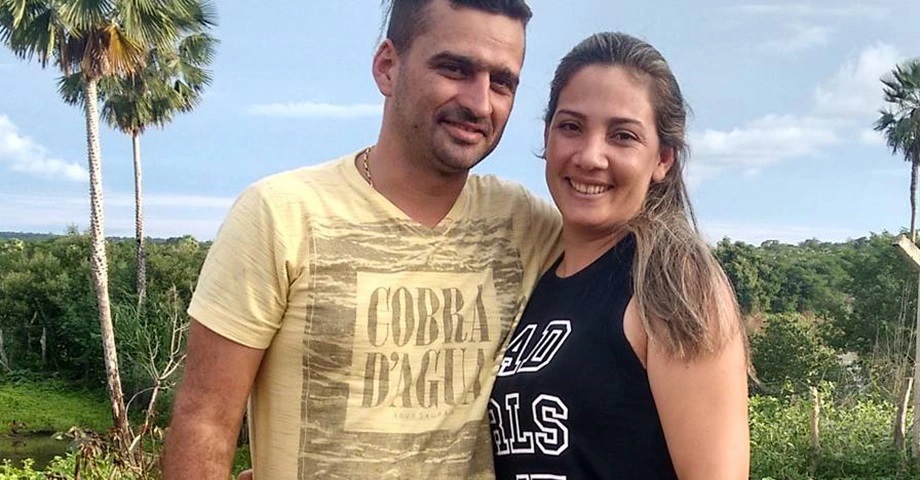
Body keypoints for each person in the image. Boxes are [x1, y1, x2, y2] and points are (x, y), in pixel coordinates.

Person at [160, 0, 562, 478]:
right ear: (387, 66)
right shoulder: (281, 214)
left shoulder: (525, 224)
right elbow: (205, 418)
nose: (480, 103)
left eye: (502, 82)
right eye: (454, 69)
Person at [488, 32, 750, 479]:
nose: (590, 156)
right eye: (571, 127)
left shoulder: (673, 284)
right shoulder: (537, 277)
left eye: (622, 136)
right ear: (547, 136)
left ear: (663, 159)